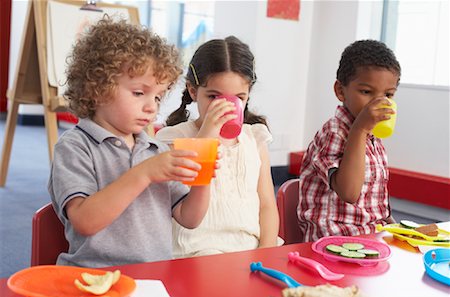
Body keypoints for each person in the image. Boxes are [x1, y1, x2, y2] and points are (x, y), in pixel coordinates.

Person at [48, 18, 214, 268]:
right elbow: (84, 220)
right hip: (93, 275)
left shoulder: (155, 150)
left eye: (158, 97)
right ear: (97, 88)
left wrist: (203, 178)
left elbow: (189, 218)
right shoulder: (75, 147)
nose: (151, 107)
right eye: (139, 93)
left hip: (153, 277)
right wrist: (145, 173)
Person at [156, 36, 282, 258]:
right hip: (195, 252)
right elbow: (184, 208)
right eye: (214, 97)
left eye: (239, 97)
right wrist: (207, 137)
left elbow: (267, 206)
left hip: (251, 252)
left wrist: (266, 250)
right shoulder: (173, 138)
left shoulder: (255, 138)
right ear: (193, 91)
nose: (226, 107)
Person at [297, 40, 400, 242]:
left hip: (370, 236)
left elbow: (375, 203)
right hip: (333, 240)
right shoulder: (334, 133)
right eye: (366, 92)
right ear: (340, 91)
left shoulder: (373, 138)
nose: (378, 102)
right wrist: (360, 129)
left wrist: (396, 229)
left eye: (388, 94)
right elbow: (349, 192)